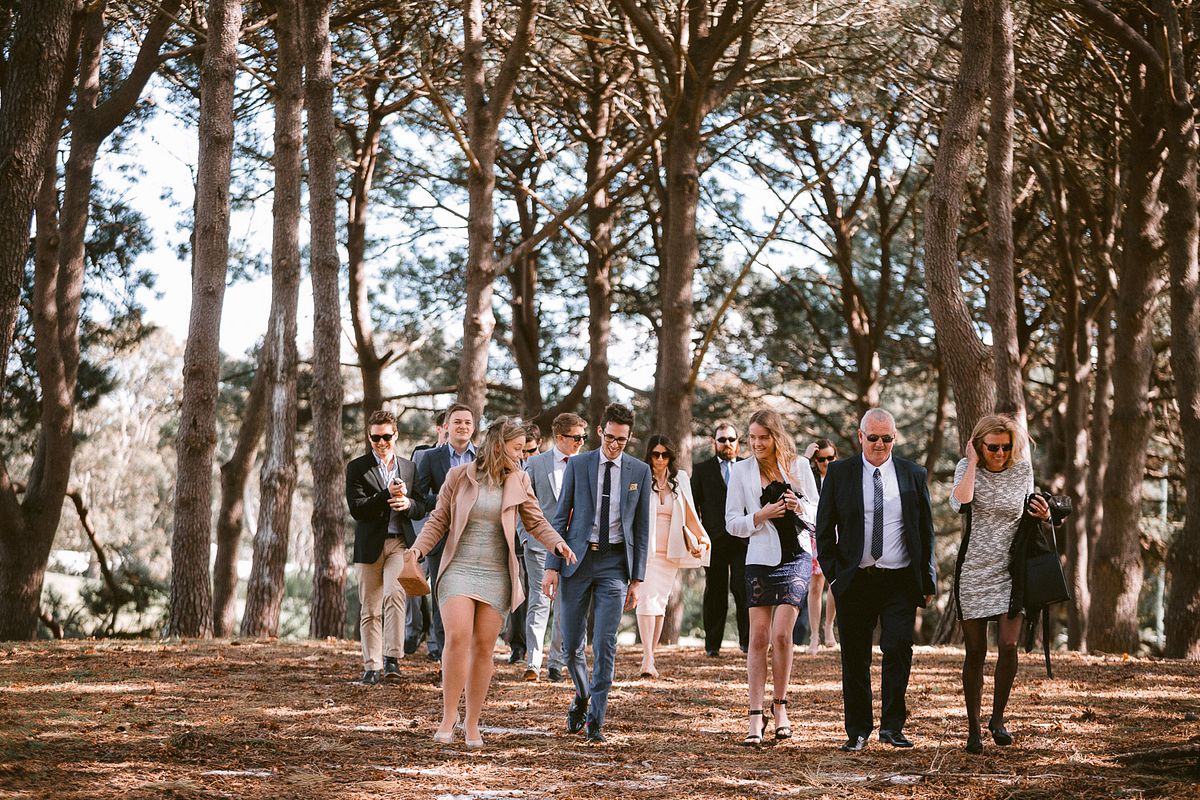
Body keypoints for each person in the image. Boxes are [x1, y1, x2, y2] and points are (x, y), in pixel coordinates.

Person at [408, 417, 576, 748]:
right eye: (517, 448)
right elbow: (438, 520)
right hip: (458, 567)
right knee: (457, 636)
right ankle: (448, 716)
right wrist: (417, 550)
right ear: (499, 444)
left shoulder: (519, 479)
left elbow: (536, 521)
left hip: (497, 572)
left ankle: (472, 722)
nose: (522, 455)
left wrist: (557, 543)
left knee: (484, 647)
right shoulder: (459, 476)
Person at [815, 408, 936, 752]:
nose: (879, 444)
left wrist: (927, 580)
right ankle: (857, 731)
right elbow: (824, 529)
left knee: (898, 648)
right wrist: (835, 576)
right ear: (860, 436)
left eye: (886, 438)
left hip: (900, 580)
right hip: (855, 579)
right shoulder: (840, 473)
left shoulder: (913, 474)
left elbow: (925, 532)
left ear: (894, 438)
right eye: (873, 438)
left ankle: (892, 728)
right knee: (855, 657)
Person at [543, 403, 651, 744]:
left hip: (615, 564)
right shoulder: (579, 465)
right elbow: (560, 518)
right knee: (571, 645)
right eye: (610, 437)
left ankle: (596, 721)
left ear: (629, 438)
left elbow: (642, 529)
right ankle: (582, 694)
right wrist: (552, 567)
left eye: (622, 440)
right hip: (576, 560)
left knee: (605, 643)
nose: (614, 445)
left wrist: (637, 580)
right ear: (600, 431)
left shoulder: (639, 471)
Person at [950, 414, 1050, 754]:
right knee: (975, 651)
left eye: (1006, 448)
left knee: (1008, 645)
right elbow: (961, 502)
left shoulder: (1022, 470)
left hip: (1011, 571)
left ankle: (998, 719)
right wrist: (972, 462)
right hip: (974, 571)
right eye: (993, 448)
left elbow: (1029, 514)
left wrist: (1044, 515)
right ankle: (973, 729)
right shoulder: (967, 467)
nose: (1000, 454)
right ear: (979, 445)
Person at [725, 409, 819, 746]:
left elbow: (818, 511)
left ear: (775, 436)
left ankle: (780, 707)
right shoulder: (741, 471)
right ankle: (755, 715)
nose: (756, 443)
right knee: (758, 637)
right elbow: (731, 523)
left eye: (763, 438)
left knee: (781, 634)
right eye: (752, 438)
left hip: (796, 557)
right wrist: (759, 515)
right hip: (759, 560)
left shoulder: (799, 466)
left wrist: (798, 506)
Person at [344, 410, 427, 684]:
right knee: (370, 608)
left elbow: (421, 506)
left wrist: (408, 504)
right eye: (376, 437)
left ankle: (392, 659)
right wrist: (385, 495)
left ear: (396, 435)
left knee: (395, 595)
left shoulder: (409, 468)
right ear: (369, 437)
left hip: (399, 544)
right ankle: (372, 666)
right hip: (369, 546)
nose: (381, 442)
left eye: (386, 437)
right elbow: (357, 509)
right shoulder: (357, 468)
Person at [521, 413, 589, 683]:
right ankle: (533, 663)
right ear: (560, 437)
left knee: (566, 604)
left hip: (575, 547)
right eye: (576, 438)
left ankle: (557, 663)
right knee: (539, 602)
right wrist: (524, 537)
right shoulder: (536, 464)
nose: (581, 442)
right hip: (540, 544)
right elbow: (523, 504)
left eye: (584, 437)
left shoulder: (586, 463)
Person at [637, 434, 710, 678]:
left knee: (659, 604)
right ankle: (647, 658)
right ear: (649, 455)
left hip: (670, 550)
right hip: (646, 550)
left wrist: (701, 538)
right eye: (655, 454)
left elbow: (689, 514)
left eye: (664, 454)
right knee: (646, 601)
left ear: (671, 456)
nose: (660, 459)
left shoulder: (680, 479)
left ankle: (651, 655)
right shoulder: (641, 476)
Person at [413, 403, 478, 664]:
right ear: (446, 427)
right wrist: (446, 499)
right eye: (457, 422)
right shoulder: (431, 458)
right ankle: (446, 662)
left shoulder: (483, 457)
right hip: (442, 541)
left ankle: (469, 661)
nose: (463, 426)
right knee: (444, 603)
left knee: (474, 599)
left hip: (476, 540)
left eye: (467, 422)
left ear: (473, 427)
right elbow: (419, 498)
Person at [691, 422, 750, 657]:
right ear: (714, 442)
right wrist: (698, 537)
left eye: (731, 439)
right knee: (715, 592)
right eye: (722, 439)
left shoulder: (748, 467)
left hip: (743, 540)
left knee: (743, 589)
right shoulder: (702, 470)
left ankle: (747, 643)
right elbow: (693, 507)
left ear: (738, 442)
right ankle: (712, 646)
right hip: (713, 541)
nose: (727, 444)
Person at [406, 411, 448, 656]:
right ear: (439, 428)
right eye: (446, 426)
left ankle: (434, 643)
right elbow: (417, 494)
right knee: (414, 583)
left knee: (441, 590)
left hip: (450, 534)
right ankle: (412, 631)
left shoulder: (469, 457)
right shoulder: (422, 453)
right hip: (422, 529)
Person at [505, 424, 543, 666]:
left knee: (538, 595)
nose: (526, 456)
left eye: (531, 450)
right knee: (519, 592)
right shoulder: (512, 469)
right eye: (523, 451)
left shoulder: (545, 467)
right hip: (517, 540)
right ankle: (517, 646)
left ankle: (535, 647)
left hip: (541, 539)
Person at [804, 438, 838, 655]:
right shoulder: (810, 477)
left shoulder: (842, 476)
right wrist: (806, 458)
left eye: (830, 458)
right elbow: (793, 478)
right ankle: (814, 635)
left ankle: (829, 627)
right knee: (815, 585)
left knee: (834, 581)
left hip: (837, 533)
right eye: (821, 459)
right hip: (814, 533)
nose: (826, 462)